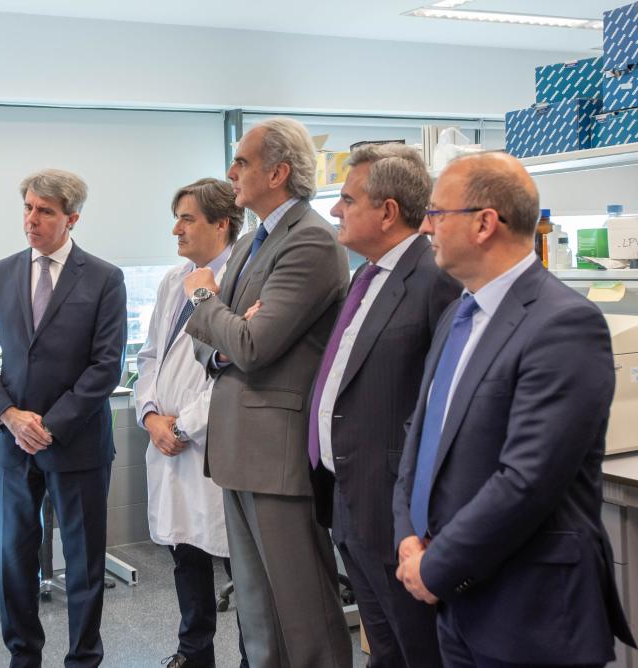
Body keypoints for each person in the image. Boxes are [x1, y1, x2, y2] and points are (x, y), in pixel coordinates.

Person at [392, 151, 635, 666]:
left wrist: (436, 567)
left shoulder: (563, 324)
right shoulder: (460, 313)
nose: (426, 227)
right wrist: (407, 537)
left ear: (484, 223)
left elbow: (527, 480)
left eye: (437, 213)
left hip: (528, 611)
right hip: (456, 602)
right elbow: (422, 435)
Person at [183, 118, 352, 667]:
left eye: (242, 162)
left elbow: (251, 343)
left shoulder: (309, 240)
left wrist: (208, 300)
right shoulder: (258, 240)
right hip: (237, 448)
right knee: (257, 612)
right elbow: (208, 344)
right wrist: (225, 333)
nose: (230, 172)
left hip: (277, 452)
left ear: (277, 172)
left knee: (303, 616)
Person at [308, 144, 459, 668]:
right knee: (383, 646)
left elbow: (443, 403)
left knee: (417, 648)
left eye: (347, 199)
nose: (334, 210)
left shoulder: (436, 278)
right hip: (348, 494)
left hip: (395, 505)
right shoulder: (366, 274)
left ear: (387, 211)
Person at [0, 169, 127, 668]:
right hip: (13, 442)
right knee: (15, 559)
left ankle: (83, 657)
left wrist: (49, 425)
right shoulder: (1, 272)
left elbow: (106, 366)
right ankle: (23, 656)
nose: (31, 220)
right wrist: (10, 415)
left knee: (83, 562)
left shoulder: (104, 277)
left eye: (44, 211)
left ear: (71, 218)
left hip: (76, 442)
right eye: (27, 208)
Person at [135, 178, 248, 668]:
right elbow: (150, 356)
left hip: (212, 443)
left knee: (239, 563)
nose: (175, 229)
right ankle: (194, 650)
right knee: (186, 554)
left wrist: (183, 427)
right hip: (168, 439)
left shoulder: (240, 282)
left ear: (221, 223)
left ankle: (253, 655)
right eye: (176, 217)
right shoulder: (172, 280)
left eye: (187, 218)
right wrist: (151, 416)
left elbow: (235, 369)